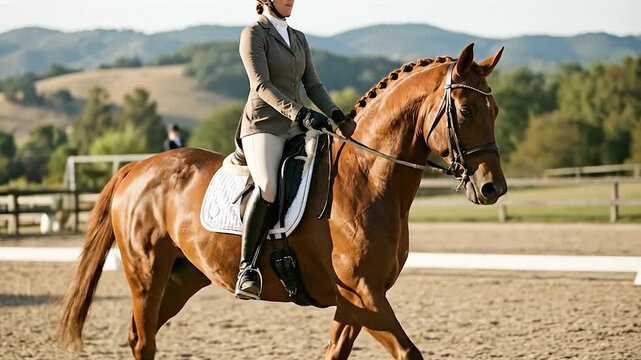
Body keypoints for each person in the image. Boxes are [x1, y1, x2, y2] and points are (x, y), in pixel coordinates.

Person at [234, 0, 356, 300]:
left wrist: (338, 115)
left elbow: (313, 84)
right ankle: (246, 268)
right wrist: (300, 113)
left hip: (295, 127)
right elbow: (260, 85)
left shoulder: (298, 37)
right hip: (263, 125)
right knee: (268, 186)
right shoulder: (254, 34)